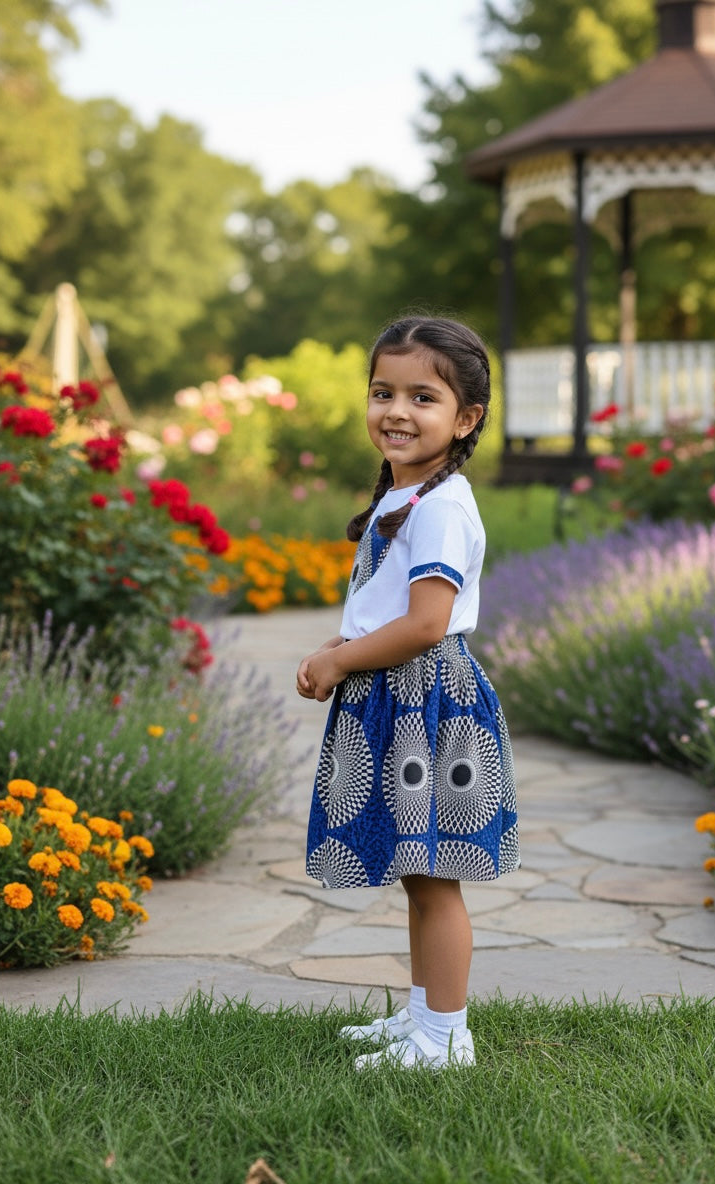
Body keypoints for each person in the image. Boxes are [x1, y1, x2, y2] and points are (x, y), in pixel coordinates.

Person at [296, 316, 519, 1070]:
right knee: (417, 874)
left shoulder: (443, 507)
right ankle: (424, 1018)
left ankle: (445, 1038)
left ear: (466, 418)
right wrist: (341, 645)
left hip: (425, 704)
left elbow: (426, 624)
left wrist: (340, 663)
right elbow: (393, 608)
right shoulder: (405, 498)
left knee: (432, 878)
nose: (395, 410)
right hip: (397, 697)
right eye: (382, 391)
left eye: (422, 397)